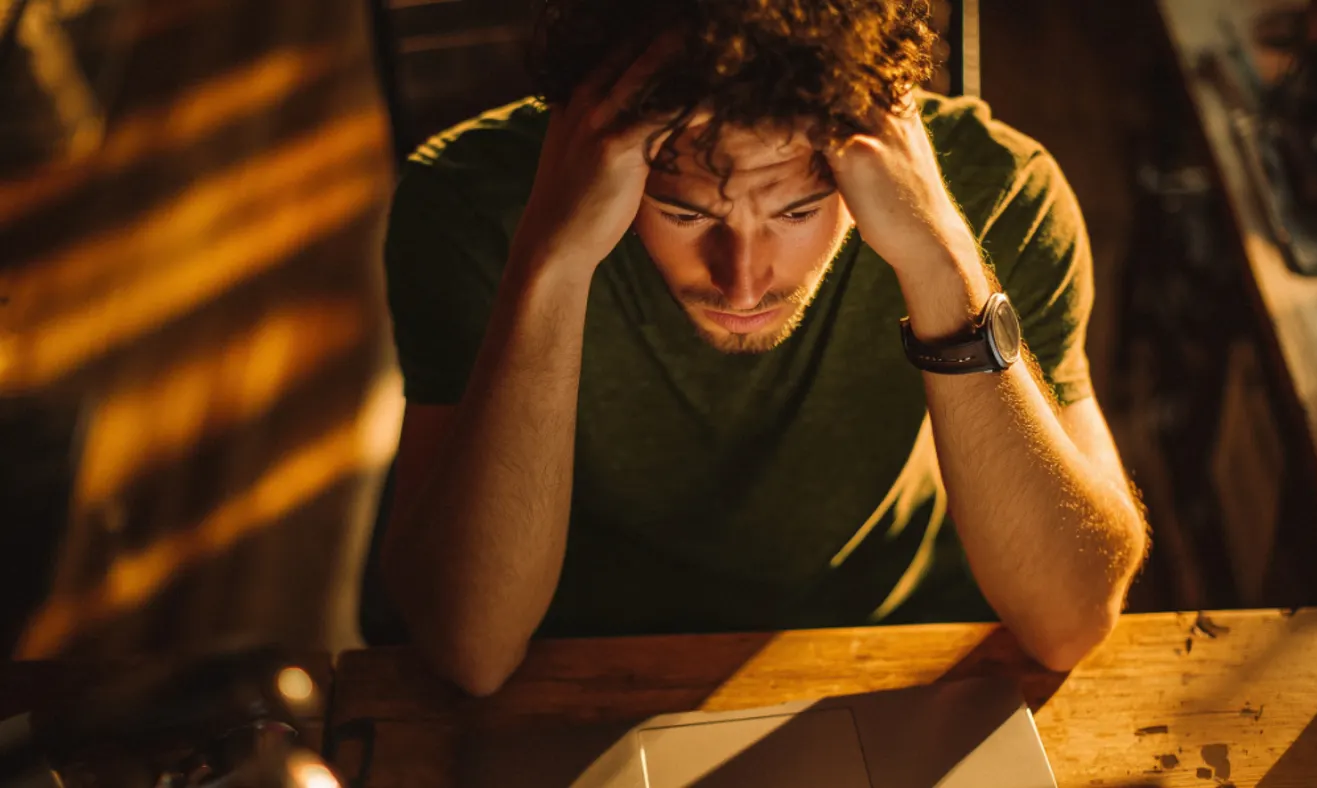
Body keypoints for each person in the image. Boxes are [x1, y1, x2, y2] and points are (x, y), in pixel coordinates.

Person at [376, 0, 1149, 696]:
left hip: (896, 658)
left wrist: (943, 261)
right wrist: (550, 261)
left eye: (796, 211)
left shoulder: (1005, 193)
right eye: (683, 215)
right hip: (579, 670)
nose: (741, 283)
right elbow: (469, 648)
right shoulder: (465, 206)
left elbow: (1070, 622)